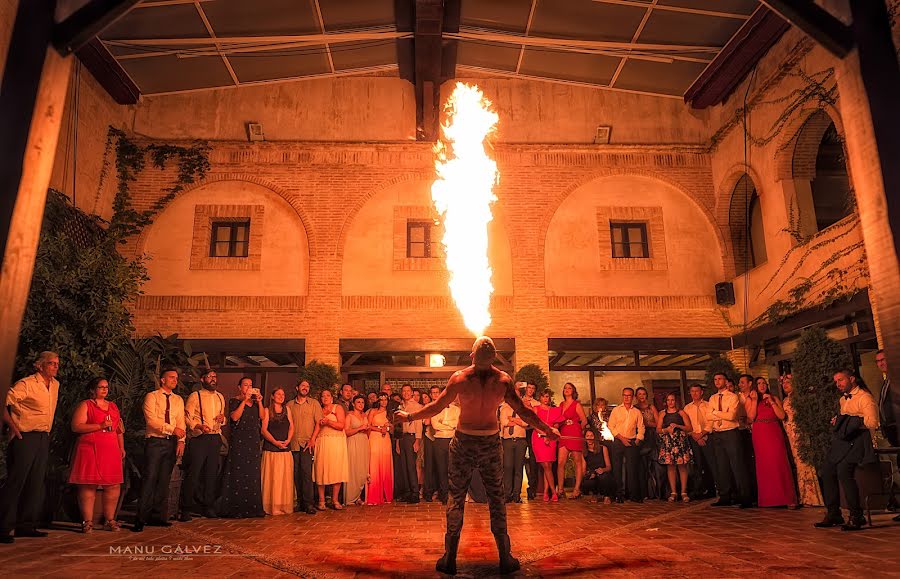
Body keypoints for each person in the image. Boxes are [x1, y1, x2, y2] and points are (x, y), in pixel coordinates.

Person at [394, 336, 559, 575]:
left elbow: (437, 407)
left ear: (472, 356)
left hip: (465, 442)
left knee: (456, 497)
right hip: (488, 443)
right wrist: (548, 430)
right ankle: (504, 557)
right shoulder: (502, 380)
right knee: (496, 498)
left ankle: (450, 557)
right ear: (493, 358)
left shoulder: (460, 378)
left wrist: (409, 417)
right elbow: (523, 410)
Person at [0, 352, 60, 542]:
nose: (55, 367)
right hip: (25, 436)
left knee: (35, 482)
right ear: (39, 366)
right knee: (16, 481)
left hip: (43, 436)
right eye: (51, 363)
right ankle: (2, 527)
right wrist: (12, 426)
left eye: (57, 364)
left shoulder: (55, 385)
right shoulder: (26, 384)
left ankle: (26, 525)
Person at [816, 369, 879, 531]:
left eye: (841, 380)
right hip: (842, 442)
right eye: (836, 381)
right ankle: (833, 513)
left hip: (858, 441)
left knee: (844, 472)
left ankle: (856, 516)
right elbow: (845, 422)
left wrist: (851, 421)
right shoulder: (842, 400)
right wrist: (839, 421)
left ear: (852, 379)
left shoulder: (865, 397)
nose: (838, 384)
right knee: (827, 471)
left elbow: (872, 423)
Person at [68, 377, 125, 533]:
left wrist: (121, 447)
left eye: (106, 387)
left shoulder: (113, 406)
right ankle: (87, 521)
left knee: (113, 484)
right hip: (90, 448)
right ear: (93, 389)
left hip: (111, 449)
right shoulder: (86, 405)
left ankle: (110, 520)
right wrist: (99, 426)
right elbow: (76, 426)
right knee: (88, 484)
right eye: (101, 387)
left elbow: (118, 429)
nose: (105, 390)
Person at [133, 368, 186, 532]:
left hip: (171, 443)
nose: (174, 380)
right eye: (171, 377)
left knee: (164, 480)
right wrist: (172, 429)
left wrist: (181, 440)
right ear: (162, 380)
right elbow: (152, 421)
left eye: (176, 378)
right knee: (150, 478)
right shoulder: (152, 396)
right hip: (155, 442)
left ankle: (158, 516)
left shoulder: (178, 400)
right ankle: (140, 518)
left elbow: (181, 421)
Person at [179, 369, 226, 521]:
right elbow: (187, 418)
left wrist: (222, 419)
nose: (213, 379)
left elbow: (223, 419)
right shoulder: (195, 396)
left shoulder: (220, 397)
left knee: (211, 474)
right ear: (202, 379)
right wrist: (198, 426)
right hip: (199, 439)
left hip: (214, 438)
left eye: (215, 376)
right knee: (194, 473)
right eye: (209, 377)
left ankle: (208, 506)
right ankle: (186, 508)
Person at [746, 377, 797, 508]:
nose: (762, 385)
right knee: (765, 464)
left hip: (774, 430)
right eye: (759, 384)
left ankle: (787, 498)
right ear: (755, 386)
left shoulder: (774, 398)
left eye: (764, 383)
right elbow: (750, 417)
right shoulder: (751, 399)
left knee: (779, 462)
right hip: (760, 432)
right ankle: (769, 499)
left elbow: (782, 416)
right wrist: (755, 400)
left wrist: (772, 402)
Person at [218, 377, 265, 518]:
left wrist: (260, 402)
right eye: (246, 385)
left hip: (253, 441)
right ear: (240, 387)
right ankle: (236, 507)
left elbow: (262, 417)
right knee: (238, 473)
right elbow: (234, 417)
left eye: (250, 385)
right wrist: (244, 401)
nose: (248, 388)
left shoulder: (256, 403)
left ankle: (252, 507)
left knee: (252, 475)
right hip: (239, 441)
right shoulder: (234, 401)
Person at [706, 372, 752, 508]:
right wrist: (719, 414)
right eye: (715, 379)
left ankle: (745, 497)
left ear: (726, 382)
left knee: (737, 464)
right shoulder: (712, 398)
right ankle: (725, 496)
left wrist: (715, 413)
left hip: (731, 433)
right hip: (718, 433)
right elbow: (708, 416)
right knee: (722, 465)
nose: (717, 381)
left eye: (720, 379)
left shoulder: (733, 397)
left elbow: (732, 416)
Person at [780, 373, 823, 506]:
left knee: (805, 463)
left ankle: (812, 497)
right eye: (783, 383)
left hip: (800, 433)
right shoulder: (786, 400)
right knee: (797, 463)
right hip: (790, 435)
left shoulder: (799, 399)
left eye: (788, 382)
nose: (785, 385)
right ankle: (803, 495)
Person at [287, 379, 323, 515]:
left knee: (307, 474)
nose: (305, 388)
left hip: (307, 444)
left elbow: (318, 423)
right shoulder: (289, 405)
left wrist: (313, 439)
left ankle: (309, 504)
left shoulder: (314, 404)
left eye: (307, 386)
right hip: (293, 443)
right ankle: (299, 502)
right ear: (297, 388)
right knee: (295, 474)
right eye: (303, 386)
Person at [311, 389, 350, 510]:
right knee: (321, 468)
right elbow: (317, 426)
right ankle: (322, 500)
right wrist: (312, 439)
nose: (325, 398)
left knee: (336, 469)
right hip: (323, 441)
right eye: (323, 396)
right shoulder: (319, 410)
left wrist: (328, 422)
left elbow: (341, 425)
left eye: (327, 395)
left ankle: (335, 499)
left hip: (336, 441)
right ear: (320, 399)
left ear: (332, 398)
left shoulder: (337, 408)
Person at [261, 388, 295, 516]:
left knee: (284, 479)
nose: (281, 396)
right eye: (278, 394)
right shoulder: (266, 410)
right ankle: (272, 506)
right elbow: (264, 430)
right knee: (273, 478)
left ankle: (283, 505)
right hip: (272, 450)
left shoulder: (288, 410)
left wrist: (288, 440)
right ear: (273, 396)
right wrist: (275, 442)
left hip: (285, 449)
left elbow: (292, 426)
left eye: (283, 394)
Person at [608, 387, 645, 503]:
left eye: (629, 395)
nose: (627, 397)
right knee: (617, 469)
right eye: (625, 395)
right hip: (619, 441)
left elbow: (641, 427)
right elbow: (611, 426)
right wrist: (621, 438)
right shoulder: (616, 410)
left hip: (632, 441)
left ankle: (633, 495)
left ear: (633, 397)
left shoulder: (637, 412)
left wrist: (638, 439)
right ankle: (619, 495)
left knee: (632, 469)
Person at [657, 393, 693, 502]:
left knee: (682, 466)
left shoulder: (681, 412)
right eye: (668, 400)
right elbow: (658, 429)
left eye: (672, 400)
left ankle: (683, 492)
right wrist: (666, 430)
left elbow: (689, 427)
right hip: (668, 441)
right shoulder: (662, 414)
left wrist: (678, 426)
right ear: (666, 402)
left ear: (675, 401)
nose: (670, 402)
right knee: (670, 467)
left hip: (680, 441)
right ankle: (673, 492)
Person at [683, 384, 716, 500]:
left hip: (707, 437)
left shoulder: (708, 405)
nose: (694, 393)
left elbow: (711, 422)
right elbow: (686, 426)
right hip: (693, 438)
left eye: (697, 391)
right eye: (692, 391)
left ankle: (711, 489)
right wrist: (696, 436)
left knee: (710, 464)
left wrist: (702, 434)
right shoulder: (687, 408)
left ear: (701, 392)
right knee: (697, 465)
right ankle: (698, 490)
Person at [532, 388, 563, 501]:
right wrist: (545, 434)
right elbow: (534, 424)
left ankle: (546, 492)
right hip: (539, 437)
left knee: (548, 466)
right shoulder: (536, 409)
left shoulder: (554, 410)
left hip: (551, 438)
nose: (545, 398)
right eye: (543, 396)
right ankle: (553, 492)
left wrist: (551, 433)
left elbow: (556, 425)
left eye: (547, 396)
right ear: (539, 398)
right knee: (545, 465)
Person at [557, 382, 587, 499]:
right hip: (563, 434)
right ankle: (560, 489)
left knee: (577, 461)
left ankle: (576, 489)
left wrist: (579, 429)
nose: (567, 390)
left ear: (573, 391)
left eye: (569, 388)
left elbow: (584, 420)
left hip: (574, 433)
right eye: (565, 388)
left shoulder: (576, 404)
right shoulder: (561, 404)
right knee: (561, 463)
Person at [429, 398, 460, 504]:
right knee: (441, 469)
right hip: (439, 441)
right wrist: (450, 425)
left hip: (452, 440)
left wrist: (444, 422)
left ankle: (453, 496)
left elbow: (457, 424)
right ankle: (444, 495)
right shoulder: (436, 409)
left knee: (452, 469)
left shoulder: (456, 409)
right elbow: (435, 425)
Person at [366, 392, 394, 505]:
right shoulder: (373, 411)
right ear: (378, 400)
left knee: (385, 464)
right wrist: (379, 429)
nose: (383, 402)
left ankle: (386, 494)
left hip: (386, 439)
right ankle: (373, 495)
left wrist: (388, 428)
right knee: (374, 464)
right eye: (381, 399)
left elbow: (393, 430)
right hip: (374, 437)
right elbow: (368, 426)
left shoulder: (390, 413)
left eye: (385, 399)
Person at [396, 384, 423, 503]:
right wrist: (397, 441)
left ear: (412, 393)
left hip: (411, 438)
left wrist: (417, 440)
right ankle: (407, 492)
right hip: (402, 437)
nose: (406, 393)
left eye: (408, 391)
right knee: (403, 466)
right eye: (404, 391)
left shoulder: (416, 406)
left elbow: (418, 424)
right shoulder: (401, 406)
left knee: (411, 466)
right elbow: (398, 425)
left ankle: (415, 493)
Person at [736, 374, 759, 503]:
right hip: (742, 431)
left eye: (742, 382)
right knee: (745, 462)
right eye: (739, 383)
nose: (740, 385)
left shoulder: (755, 395)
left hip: (756, 430)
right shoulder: (737, 398)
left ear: (750, 383)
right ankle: (748, 493)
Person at [500, 400, 528, 503]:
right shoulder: (505, 408)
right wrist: (517, 421)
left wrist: (512, 419)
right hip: (508, 441)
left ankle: (517, 494)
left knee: (519, 467)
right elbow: (504, 422)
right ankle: (507, 494)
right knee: (507, 467)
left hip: (520, 441)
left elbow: (525, 423)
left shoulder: (523, 409)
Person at [635, 387, 660, 499]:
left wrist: (648, 424)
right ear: (636, 396)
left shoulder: (651, 407)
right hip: (639, 437)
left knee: (654, 465)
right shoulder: (634, 408)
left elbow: (659, 423)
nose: (641, 396)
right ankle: (643, 492)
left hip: (651, 437)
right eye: (639, 394)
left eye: (644, 394)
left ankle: (656, 491)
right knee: (641, 466)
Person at [345, 394, 370, 505]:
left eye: (362, 402)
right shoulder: (349, 416)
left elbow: (368, 431)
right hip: (353, 442)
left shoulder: (365, 416)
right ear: (353, 404)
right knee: (353, 469)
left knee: (362, 469)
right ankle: (350, 498)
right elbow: (346, 432)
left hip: (363, 442)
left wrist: (367, 429)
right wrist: (359, 428)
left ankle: (358, 496)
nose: (361, 404)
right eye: (358, 402)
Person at [581, 428, 614, 504]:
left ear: (595, 437)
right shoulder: (584, 452)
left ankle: (606, 496)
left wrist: (603, 470)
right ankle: (594, 494)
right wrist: (589, 474)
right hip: (593, 473)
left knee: (604, 477)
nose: (589, 438)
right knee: (588, 481)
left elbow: (609, 466)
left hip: (603, 473)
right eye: (587, 436)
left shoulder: (603, 448)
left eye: (591, 436)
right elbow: (583, 470)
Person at [422, 385, 443, 502]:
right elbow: (426, 422)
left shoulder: (443, 406)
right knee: (429, 466)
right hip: (429, 437)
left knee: (440, 466)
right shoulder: (428, 406)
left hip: (441, 438)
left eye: (437, 392)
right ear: (430, 395)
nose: (435, 395)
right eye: (433, 393)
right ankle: (428, 493)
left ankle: (440, 492)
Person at [521, 382, 540, 500]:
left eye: (533, 388)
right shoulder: (518, 400)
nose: (531, 390)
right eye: (529, 388)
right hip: (520, 432)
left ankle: (532, 488)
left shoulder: (537, 404)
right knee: (519, 461)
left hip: (532, 432)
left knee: (533, 461)